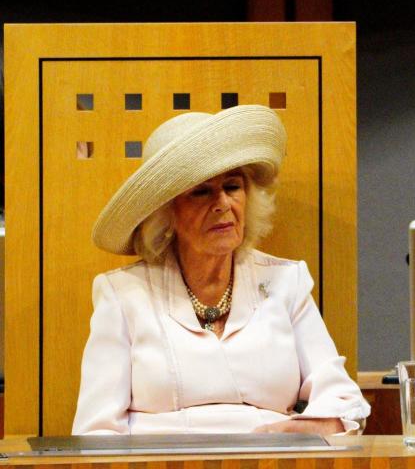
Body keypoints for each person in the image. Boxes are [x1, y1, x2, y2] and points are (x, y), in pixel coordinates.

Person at [72, 105, 370, 435]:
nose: (223, 204)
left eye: (232, 186)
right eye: (201, 191)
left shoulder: (286, 282)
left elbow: (341, 400)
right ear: (166, 213)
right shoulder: (123, 294)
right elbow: (96, 431)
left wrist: (298, 433)